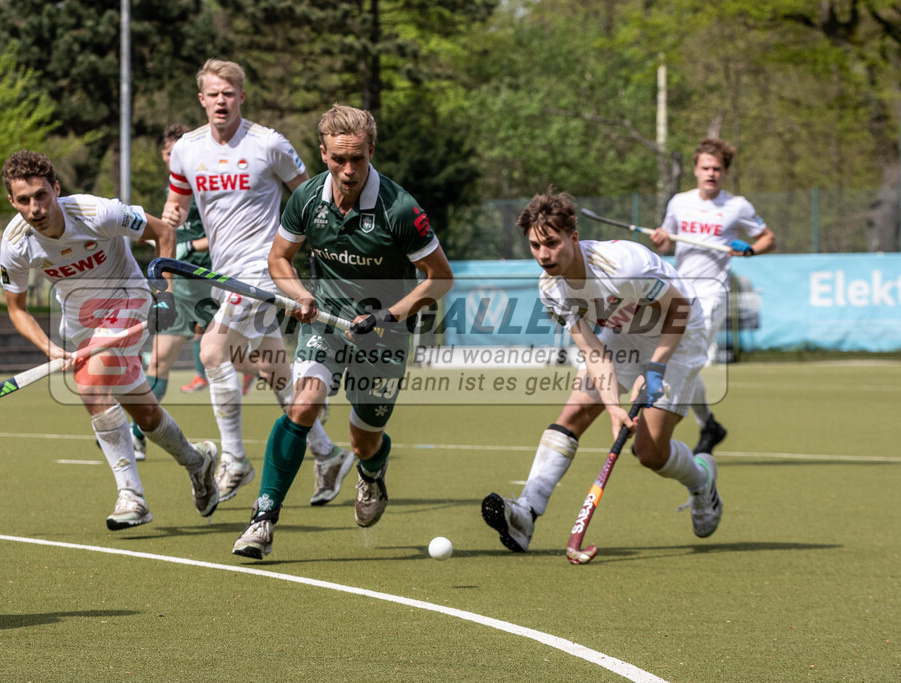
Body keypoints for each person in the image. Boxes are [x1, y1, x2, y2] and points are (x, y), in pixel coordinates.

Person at [231, 103, 454, 559]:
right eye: (338, 159)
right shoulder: (307, 199)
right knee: (304, 403)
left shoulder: (400, 208)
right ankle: (263, 518)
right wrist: (300, 296)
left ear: (372, 151)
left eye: (358, 158)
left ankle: (371, 471)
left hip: (384, 333)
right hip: (327, 322)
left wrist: (388, 316)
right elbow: (279, 259)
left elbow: (440, 278)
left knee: (363, 439)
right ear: (323, 153)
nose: (349, 170)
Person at [481, 189, 722, 553]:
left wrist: (655, 367)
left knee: (649, 453)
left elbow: (680, 309)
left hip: (678, 334)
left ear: (573, 238)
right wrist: (612, 406)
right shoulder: (551, 288)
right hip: (623, 330)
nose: (543, 255)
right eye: (534, 245)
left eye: (551, 243)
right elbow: (593, 351)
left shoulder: (623, 266)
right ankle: (526, 513)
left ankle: (702, 480)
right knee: (575, 410)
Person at [0, 150, 219, 530]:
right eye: (23, 200)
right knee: (145, 414)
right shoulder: (16, 243)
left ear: (56, 189)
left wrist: (163, 295)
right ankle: (197, 461)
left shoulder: (97, 213)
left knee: (91, 386)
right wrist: (50, 348)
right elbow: (17, 309)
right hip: (79, 319)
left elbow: (164, 234)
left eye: (41, 196)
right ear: (11, 201)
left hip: (127, 297)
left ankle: (132, 497)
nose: (34, 208)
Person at [162, 59, 345, 504]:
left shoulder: (269, 144)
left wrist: (310, 252)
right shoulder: (187, 149)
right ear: (201, 99)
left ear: (241, 97)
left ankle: (236, 460)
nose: (221, 101)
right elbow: (176, 203)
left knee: (210, 350)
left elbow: (309, 194)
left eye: (229, 93)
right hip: (224, 274)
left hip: (264, 269)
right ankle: (327, 453)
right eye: (213, 94)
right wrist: (171, 220)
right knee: (273, 370)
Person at [650, 138, 776, 454]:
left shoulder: (738, 207)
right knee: (684, 360)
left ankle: (660, 431)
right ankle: (709, 425)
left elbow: (767, 238)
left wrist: (749, 250)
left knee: (681, 357)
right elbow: (664, 245)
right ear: (695, 169)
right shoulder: (679, 202)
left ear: (725, 173)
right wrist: (659, 240)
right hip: (680, 290)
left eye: (717, 169)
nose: (711, 174)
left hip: (712, 293)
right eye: (705, 168)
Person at [130, 123, 217, 460]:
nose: (173, 159)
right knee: (158, 363)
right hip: (180, 286)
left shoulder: (206, 184)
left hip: (212, 283)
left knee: (244, 358)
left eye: (178, 152)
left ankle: (308, 411)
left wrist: (190, 245)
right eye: (168, 154)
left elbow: (225, 231)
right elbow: (168, 233)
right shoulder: (174, 190)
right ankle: (137, 434)